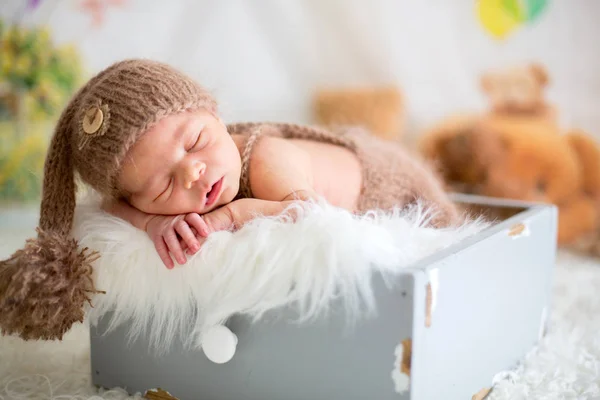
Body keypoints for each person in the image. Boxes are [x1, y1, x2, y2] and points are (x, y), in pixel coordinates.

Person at [0, 59, 459, 341]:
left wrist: (231, 216)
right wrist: (150, 224)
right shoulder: (156, 192)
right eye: (163, 187)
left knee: (448, 252)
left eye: (196, 141)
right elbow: (109, 207)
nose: (193, 172)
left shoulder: (264, 159)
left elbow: (307, 214)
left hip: (391, 184)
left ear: (213, 113)